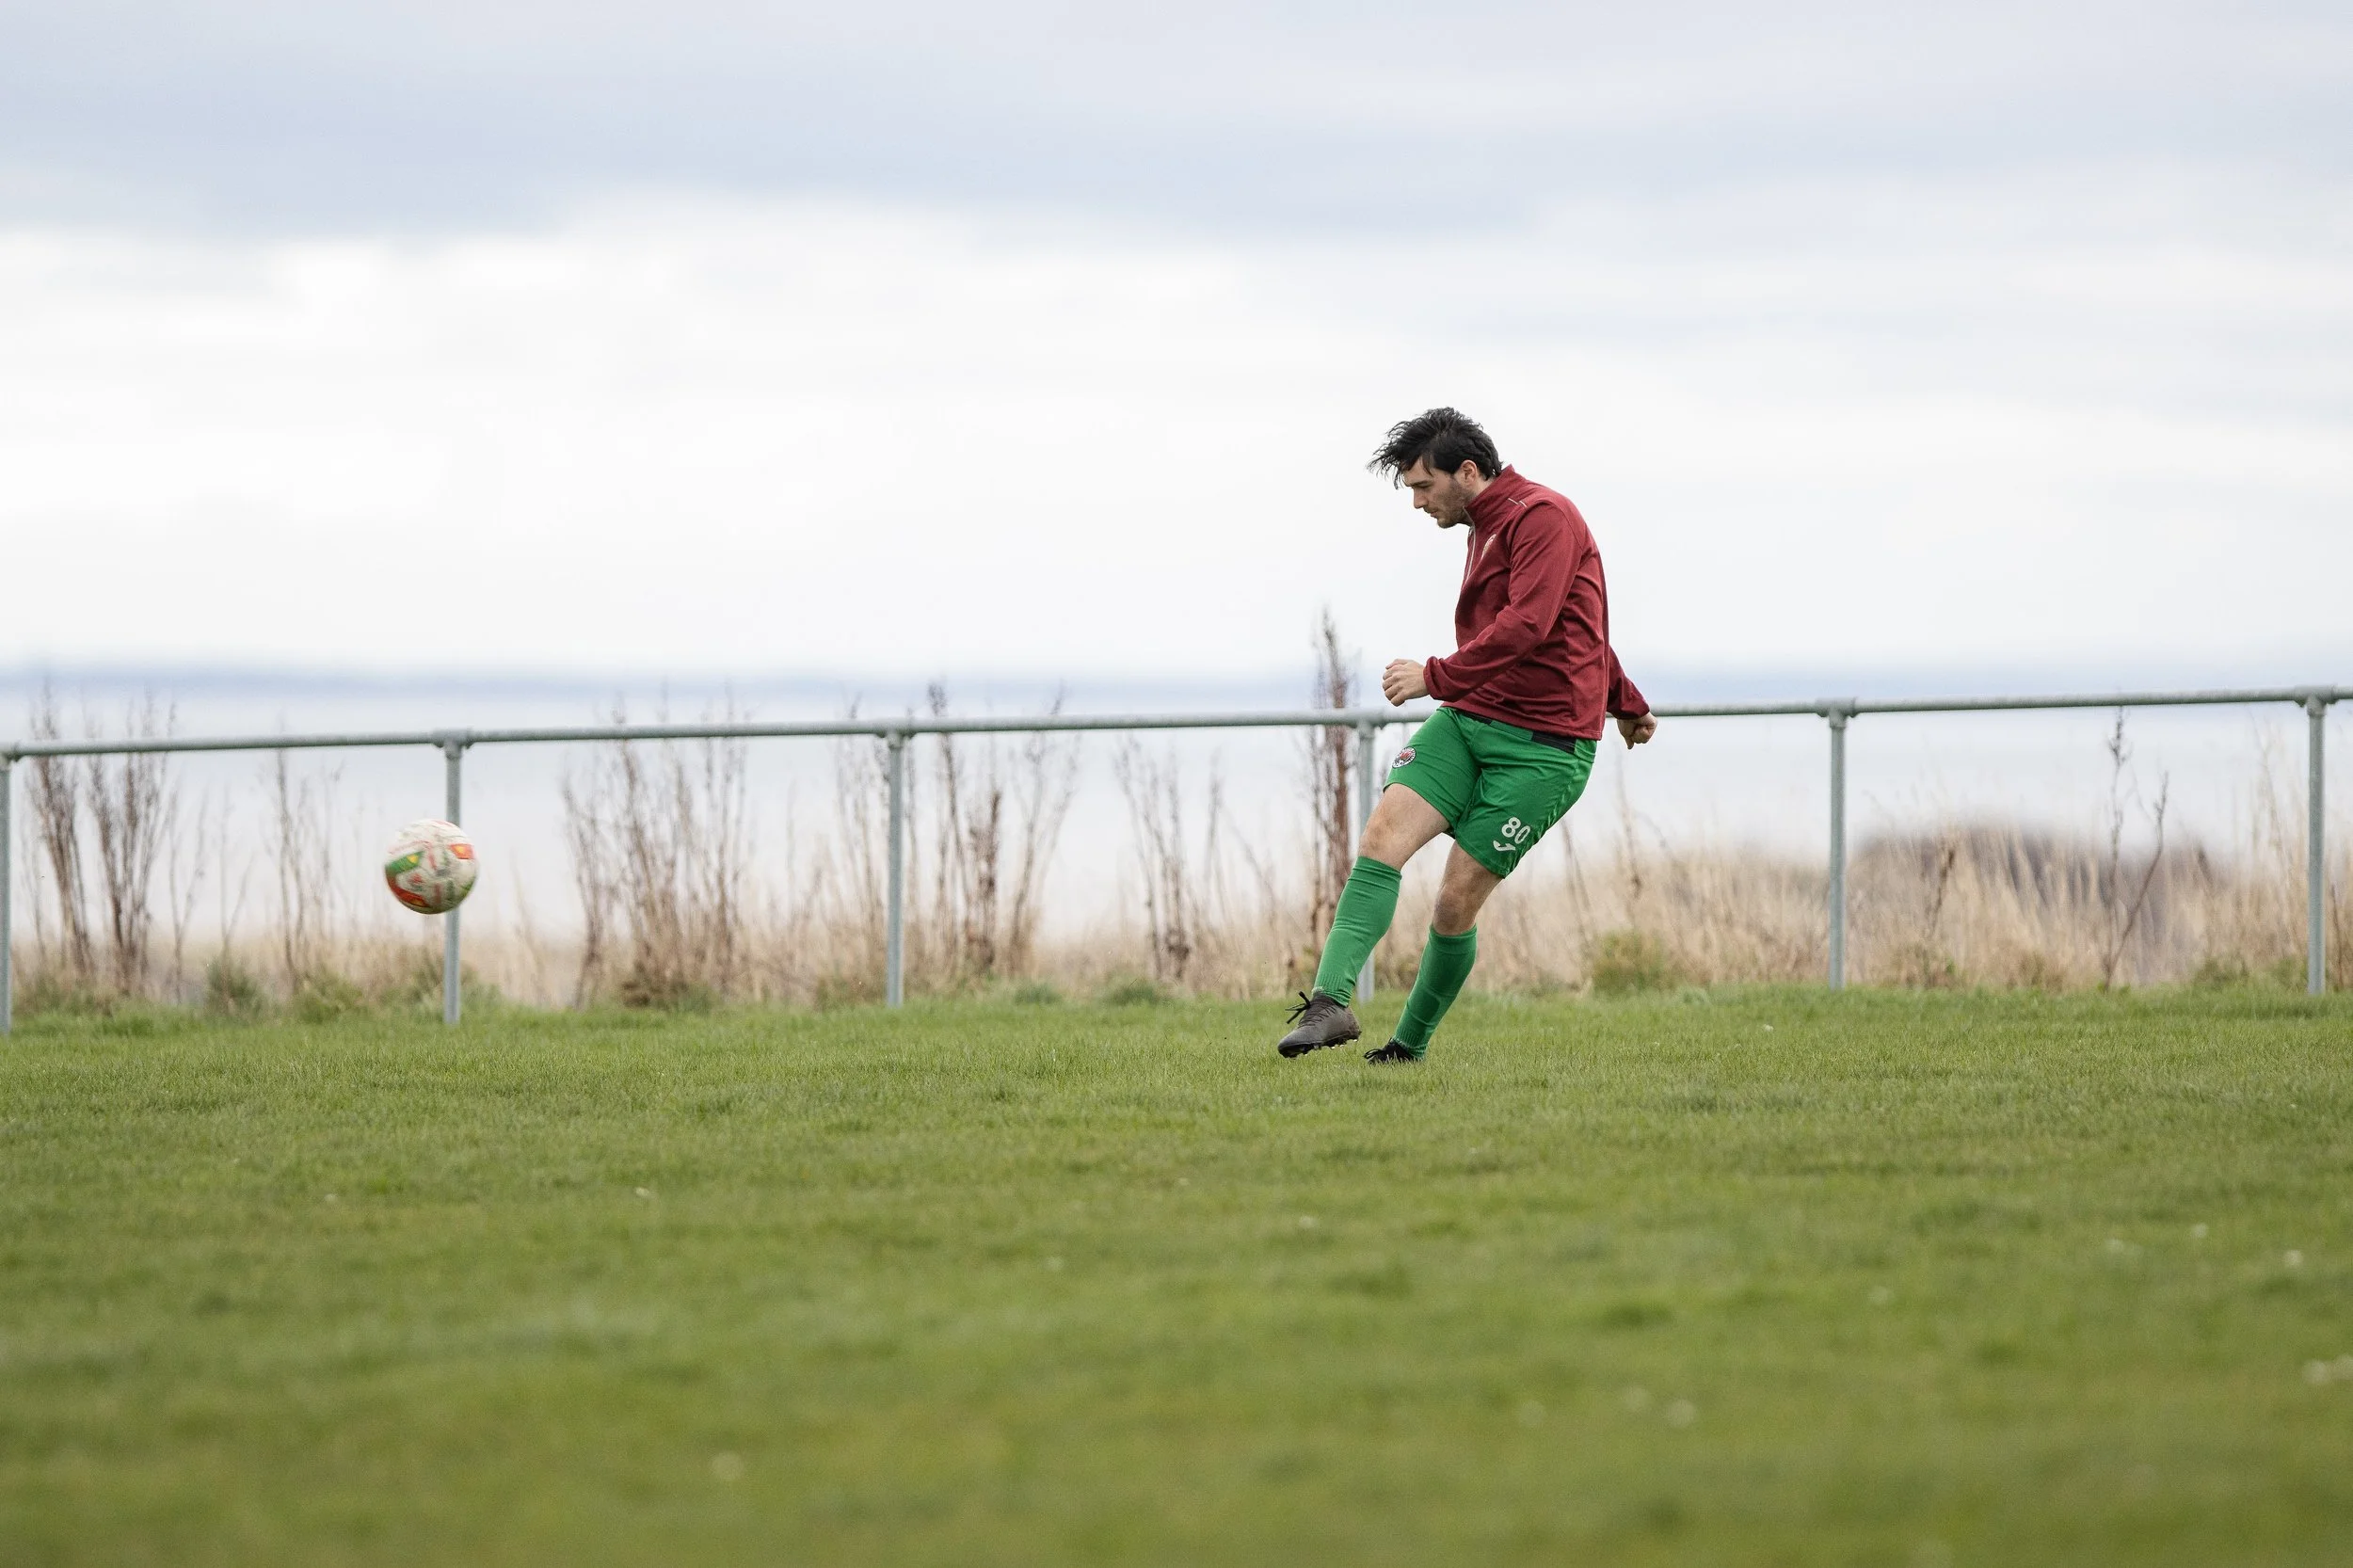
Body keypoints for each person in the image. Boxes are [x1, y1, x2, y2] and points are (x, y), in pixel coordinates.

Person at [1278, 408, 1657, 1063]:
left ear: (1469, 471)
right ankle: (1328, 1004)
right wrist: (1626, 699)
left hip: (1543, 748)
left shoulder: (1543, 517)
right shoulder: (1482, 526)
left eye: (1424, 487)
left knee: (1453, 904)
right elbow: (1579, 618)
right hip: (1471, 718)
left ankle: (1409, 1047)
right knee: (1382, 837)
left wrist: (1435, 674)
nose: (1418, 503)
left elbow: (1532, 625)